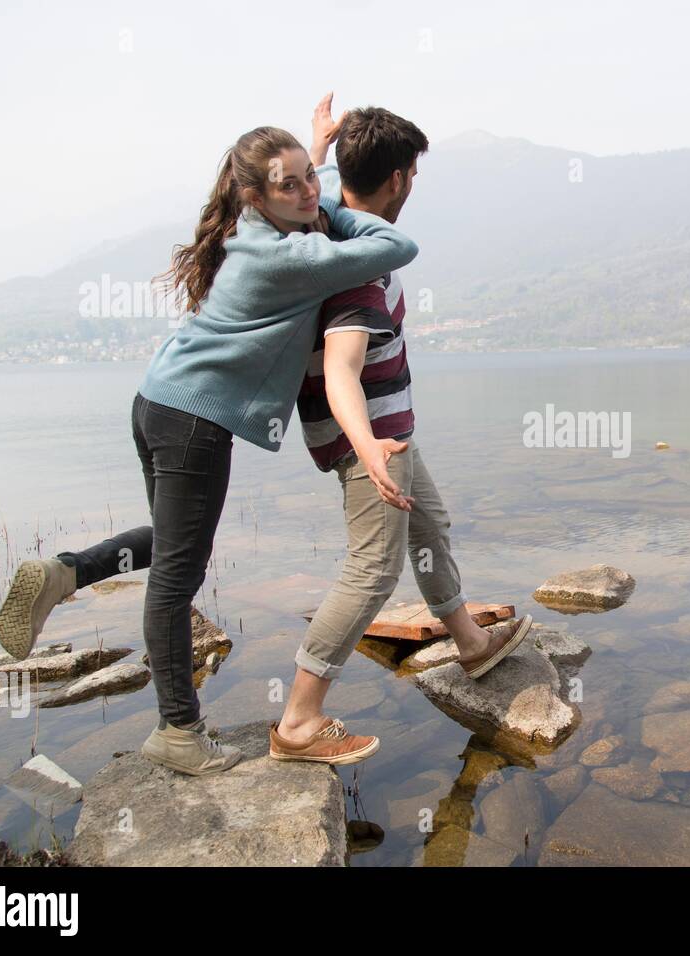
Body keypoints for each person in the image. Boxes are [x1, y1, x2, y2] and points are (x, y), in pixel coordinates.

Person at [0, 117, 418, 776]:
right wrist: (330, 198)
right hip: (193, 421)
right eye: (294, 185)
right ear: (257, 195)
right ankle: (178, 732)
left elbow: (296, 199)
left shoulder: (251, 231)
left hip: (156, 402)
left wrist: (312, 159)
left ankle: (67, 573)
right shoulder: (294, 255)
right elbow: (397, 245)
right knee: (176, 580)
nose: (311, 191)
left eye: (313, 177)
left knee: (170, 544)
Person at [267, 101, 532, 764]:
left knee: (431, 524)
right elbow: (342, 369)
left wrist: (318, 146)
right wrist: (369, 454)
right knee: (373, 569)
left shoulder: (328, 225)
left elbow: (302, 198)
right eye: (412, 172)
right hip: (371, 440)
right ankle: (298, 720)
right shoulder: (358, 259)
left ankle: (469, 642)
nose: (414, 183)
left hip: (386, 432)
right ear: (398, 180)